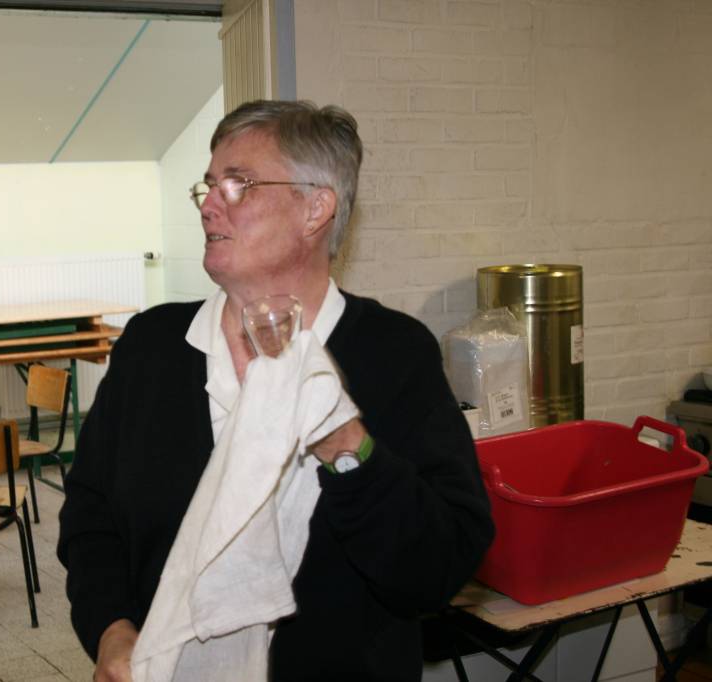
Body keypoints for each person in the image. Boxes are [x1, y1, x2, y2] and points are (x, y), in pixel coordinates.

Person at [57, 100, 494, 681]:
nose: (209, 205)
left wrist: (346, 444)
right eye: (208, 185)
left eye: (238, 184)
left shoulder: (394, 354)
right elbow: (90, 516)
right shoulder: (152, 347)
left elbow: (435, 571)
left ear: (316, 209)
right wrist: (111, 629)